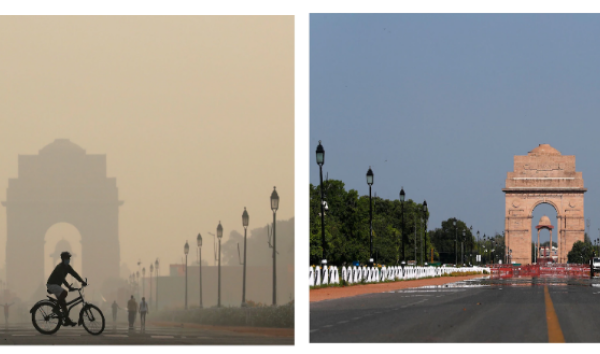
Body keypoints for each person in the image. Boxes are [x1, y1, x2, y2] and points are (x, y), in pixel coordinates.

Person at [46, 251, 86, 327]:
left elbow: (75, 274)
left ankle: (67, 321)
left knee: (64, 304)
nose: (68, 259)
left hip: (57, 286)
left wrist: (82, 281)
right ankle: (56, 308)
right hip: (52, 284)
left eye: (69, 258)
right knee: (64, 293)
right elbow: (62, 279)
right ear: (62, 259)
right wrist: (69, 287)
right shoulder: (59, 267)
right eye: (66, 258)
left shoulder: (68, 267)